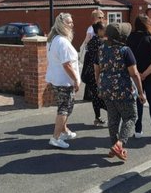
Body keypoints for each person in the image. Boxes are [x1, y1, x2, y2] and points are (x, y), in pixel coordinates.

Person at [95, 21, 146, 161]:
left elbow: (97, 69)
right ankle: (119, 144)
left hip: (106, 89)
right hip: (123, 90)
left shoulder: (101, 48)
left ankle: (115, 147)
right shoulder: (125, 50)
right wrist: (141, 93)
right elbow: (134, 74)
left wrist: (100, 84)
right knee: (131, 117)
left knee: (113, 119)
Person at [44, 13, 81, 148]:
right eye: (69, 23)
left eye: (72, 22)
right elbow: (67, 64)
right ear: (62, 24)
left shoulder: (53, 39)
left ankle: (64, 131)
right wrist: (76, 80)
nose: (72, 25)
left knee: (63, 108)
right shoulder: (63, 42)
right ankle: (56, 138)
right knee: (64, 109)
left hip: (56, 79)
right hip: (64, 81)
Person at [128, 16, 151, 140]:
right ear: (147, 24)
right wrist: (145, 74)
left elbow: (127, 60)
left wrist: (138, 75)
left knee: (138, 103)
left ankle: (138, 130)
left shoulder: (129, 38)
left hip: (134, 76)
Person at [81, 22, 107, 128]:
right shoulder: (100, 42)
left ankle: (97, 118)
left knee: (96, 97)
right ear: (99, 30)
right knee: (102, 96)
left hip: (90, 72)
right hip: (98, 72)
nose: (105, 31)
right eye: (104, 29)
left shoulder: (91, 41)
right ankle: (114, 115)